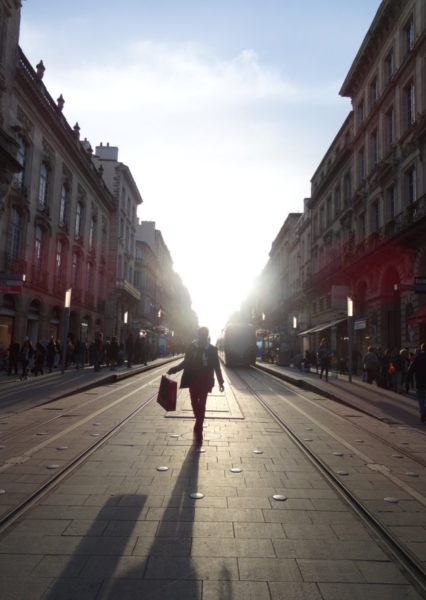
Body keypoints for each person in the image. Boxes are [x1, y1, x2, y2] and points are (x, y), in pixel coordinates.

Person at [167, 326, 225, 444]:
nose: (203, 337)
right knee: (194, 403)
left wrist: (221, 382)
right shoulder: (192, 347)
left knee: (202, 404)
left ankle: (199, 428)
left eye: (205, 335)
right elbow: (185, 362)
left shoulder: (212, 350)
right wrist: (174, 369)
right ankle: (199, 421)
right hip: (193, 380)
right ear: (198, 335)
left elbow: (217, 367)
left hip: (205, 381)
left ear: (207, 336)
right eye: (201, 334)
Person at [407, 343, 426, 422]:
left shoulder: (417, 358)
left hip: (420, 381)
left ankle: (423, 412)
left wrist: (408, 379)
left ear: (422, 349)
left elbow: (411, 369)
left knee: (421, 398)